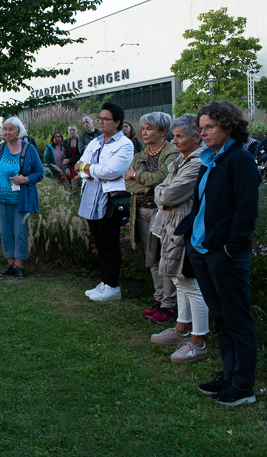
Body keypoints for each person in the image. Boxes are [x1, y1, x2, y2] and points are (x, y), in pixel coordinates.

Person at [176, 101, 261, 406]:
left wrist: (228, 250)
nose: (203, 133)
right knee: (222, 318)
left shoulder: (240, 160)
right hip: (202, 249)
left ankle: (243, 387)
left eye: (209, 127)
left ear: (228, 126)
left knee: (237, 319)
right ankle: (229, 375)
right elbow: (202, 205)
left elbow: (246, 213)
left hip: (224, 254)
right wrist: (191, 239)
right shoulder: (211, 158)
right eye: (201, 128)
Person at [148, 115, 209, 363]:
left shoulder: (198, 162)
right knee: (178, 279)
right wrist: (162, 193)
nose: (174, 141)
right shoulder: (180, 160)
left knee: (190, 283)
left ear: (196, 138)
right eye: (174, 136)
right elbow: (161, 189)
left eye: (180, 136)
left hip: (185, 227)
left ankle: (198, 340)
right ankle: (182, 327)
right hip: (171, 226)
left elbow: (168, 194)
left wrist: (162, 194)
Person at [124, 112, 179, 322]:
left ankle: (168, 305)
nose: (144, 133)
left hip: (162, 212)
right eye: (143, 128)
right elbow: (128, 184)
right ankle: (159, 300)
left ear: (163, 131)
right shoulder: (140, 155)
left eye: (149, 129)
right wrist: (146, 183)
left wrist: (137, 175)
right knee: (152, 257)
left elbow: (161, 178)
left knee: (165, 256)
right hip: (141, 211)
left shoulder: (172, 152)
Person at [79, 103, 134, 302]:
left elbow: (112, 171)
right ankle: (104, 282)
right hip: (91, 197)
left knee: (109, 242)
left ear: (117, 122)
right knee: (99, 243)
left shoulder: (125, 144)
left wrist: (88, 168)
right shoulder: (95, 142)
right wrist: (91, 169)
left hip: (109, 199)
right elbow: (79, 166)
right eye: (100, 118)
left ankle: (112, 286)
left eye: (105, 119)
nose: (101, 122)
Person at [0, 117, 44, 278]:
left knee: (20, 233)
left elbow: (40, 172)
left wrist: (26, 179)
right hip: (1, 201)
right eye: (5, 129)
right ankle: (11, 264)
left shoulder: (28, 149)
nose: (7, 132)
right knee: (5, 233)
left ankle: (20, 266)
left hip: (21, 201)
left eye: (11, 129)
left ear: (19, 131)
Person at [62, 124, 81, 194]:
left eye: (73, 130)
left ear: (77, 130)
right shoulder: (65, 143)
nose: (72, 132)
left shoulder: (80, 142)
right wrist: (67, 167)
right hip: (68, 166)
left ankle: (77, 200)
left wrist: (70, 160)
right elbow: (64, 156)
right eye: (70, 130)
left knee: (75, 188)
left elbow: (80, 155)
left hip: (77, 166)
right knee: (67, 188)